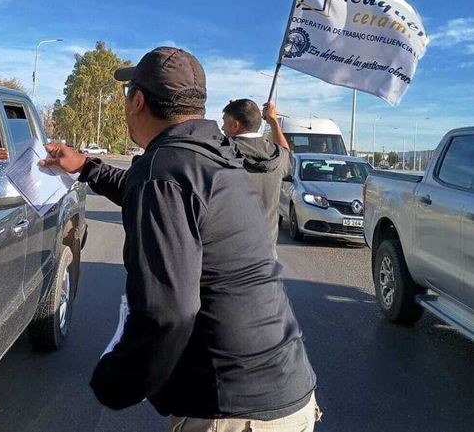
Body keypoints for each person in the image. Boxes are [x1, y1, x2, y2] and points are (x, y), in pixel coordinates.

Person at [41, 47, 319, 432]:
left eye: (126, 97)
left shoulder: (165, 170)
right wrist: (87, 166)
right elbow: (159, 193)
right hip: (289, 394)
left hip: (233, 413)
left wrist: (117, 381)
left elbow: (167, 312)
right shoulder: (214, 155)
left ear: (137, 101)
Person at [221, 99, 292, 252]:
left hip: (229, 249)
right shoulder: (278, 156)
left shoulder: (221, 153)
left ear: (236, 125)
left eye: (225, 122)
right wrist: (274, 122)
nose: (222, 128)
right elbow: (286, 153)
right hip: (266, 249)